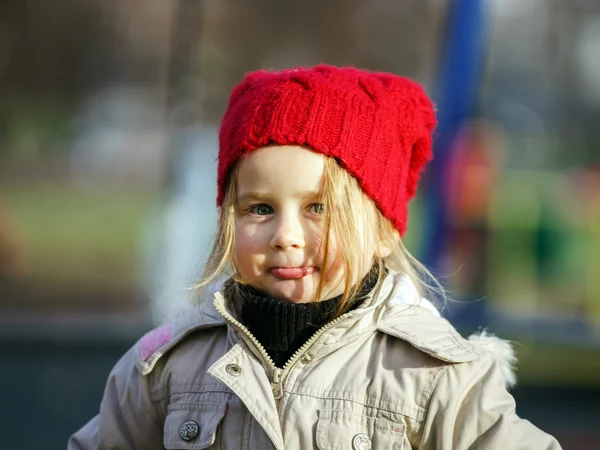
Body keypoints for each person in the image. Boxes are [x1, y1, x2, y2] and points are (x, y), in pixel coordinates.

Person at [68, 65, 562, 449]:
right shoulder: (168, 366)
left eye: (318, 209)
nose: (286, 236)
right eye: (259, 208)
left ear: (384, 232)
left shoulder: (433, 374)